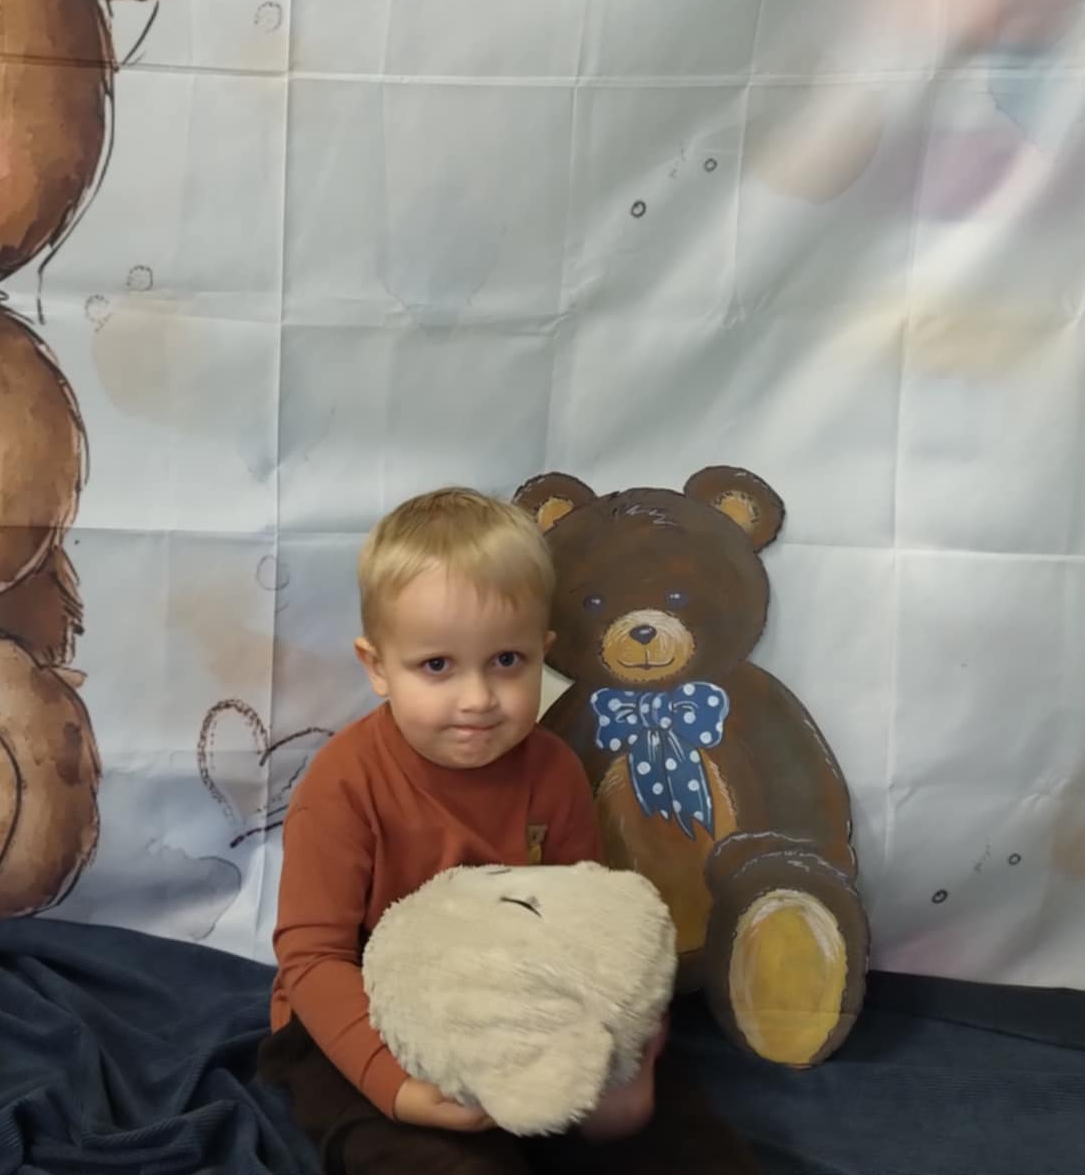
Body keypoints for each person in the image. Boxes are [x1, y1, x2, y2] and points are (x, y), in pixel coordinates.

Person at [258, 487, 742, 1174]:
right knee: (437, 1158)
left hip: (515, 1004)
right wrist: (397, 1087)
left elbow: (587, 925)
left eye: (507, 662)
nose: (478, 699)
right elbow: (312, 959)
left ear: (543, 653)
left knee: (684, 1135)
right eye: (437, 666)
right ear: (377, 667)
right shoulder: (343, 784)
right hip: (361, 1017)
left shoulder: (553, 770)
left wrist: (624, 1042)